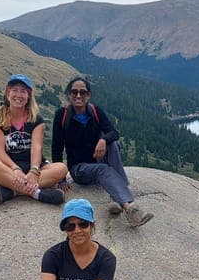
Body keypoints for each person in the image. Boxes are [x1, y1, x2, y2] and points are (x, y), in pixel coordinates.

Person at [51, 77, 153, 227]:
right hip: (79, 169)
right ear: (68, 94)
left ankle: (116, 199)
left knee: (113, 144)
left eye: (82, 92)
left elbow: (114, 132)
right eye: (74, 92)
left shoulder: (94, 111)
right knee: (103, 168)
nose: (78, 96)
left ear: (88, 95)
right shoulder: (62, 115)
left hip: (97, 161)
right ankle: (128, 207)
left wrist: (103, 140)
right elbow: (56, 147)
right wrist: (61, 179)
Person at [0, 74, 68, 205]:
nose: (18, 95)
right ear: (7, 92)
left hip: (30, 166)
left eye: (23, 91)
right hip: (7, 168)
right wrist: (15, 169)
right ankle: (37, 193)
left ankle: (11, 192)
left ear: (29, 95)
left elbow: (36, 148)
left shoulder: (36, 120)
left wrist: (33, 171)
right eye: (14, 90)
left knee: (61, 168)